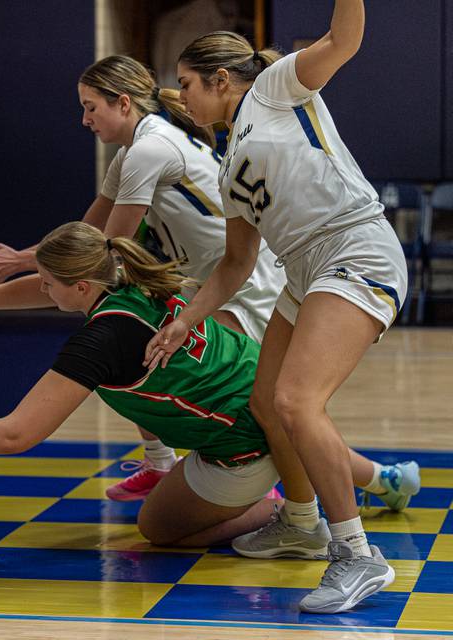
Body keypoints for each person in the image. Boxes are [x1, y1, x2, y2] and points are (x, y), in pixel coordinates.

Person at [0, 222, 419, 601]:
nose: (39, 292)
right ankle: (386, 481)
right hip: (259, 384)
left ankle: (282, 512)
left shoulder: (102, 341)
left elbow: (14, 435)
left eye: (47, 285)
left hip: (242, 442)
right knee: (288, 428)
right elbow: (44, 288)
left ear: (77, 285)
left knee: (158, 529)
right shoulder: (123, 276)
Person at [142, 1, 418, 614]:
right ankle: (302, 523)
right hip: (304, 271)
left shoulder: (273, 87)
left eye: (187, 84)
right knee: (267, 401)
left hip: (355, 247)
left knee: (296, 400)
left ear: (221, 80)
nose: (181, 96)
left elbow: (344, 38)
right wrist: (184, 318)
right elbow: (236, 265)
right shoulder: (228, 163)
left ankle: (357, 556)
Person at [0, 54, 286, 503]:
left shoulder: (148, 150)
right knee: (131, 345)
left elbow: (97, 258)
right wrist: (22, 260)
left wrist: (7, 278)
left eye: (90, 107)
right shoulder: (132, 152)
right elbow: (86, 237)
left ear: (123, 103)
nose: (84, 119)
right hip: (211, 278)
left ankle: (279, 495)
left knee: (239, 394)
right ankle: (168, 465)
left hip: (246, 283)